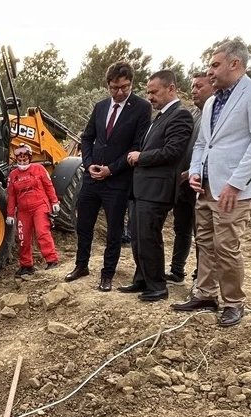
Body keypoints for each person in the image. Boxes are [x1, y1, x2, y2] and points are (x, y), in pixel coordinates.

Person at [175, 39, 251, 327]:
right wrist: (196, 172)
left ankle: (234, 301)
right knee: (205, 242)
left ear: (235, 64)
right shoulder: (211, 102)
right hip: (207, 186)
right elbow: (203, 144)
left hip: (235, 189)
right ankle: (206, 293)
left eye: (215, 64)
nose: (209, 71)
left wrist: (235, 183)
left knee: (226, 245)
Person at [65, 61, 152, 291]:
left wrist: (111, 169)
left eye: (125, 87)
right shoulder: (101, 106)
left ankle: (107, 274)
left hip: (117, 181)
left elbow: (137, 146)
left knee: (114, 231)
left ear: (131, 83)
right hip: (92, 179)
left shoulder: (142, 108)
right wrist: (89, 164)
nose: (120, 92)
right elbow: (87, 137)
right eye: (115, 88)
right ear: (108, 86)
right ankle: (81, 265)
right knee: (84, 225)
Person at [121, 70, 194, 302]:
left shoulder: (180, 116)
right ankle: (141, 279)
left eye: (154, 92)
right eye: (148, 92)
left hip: (157, 190)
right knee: (138, 236)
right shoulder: (161, 116)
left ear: (171, 88)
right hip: (142, 188)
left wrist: (140, 157)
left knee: (149, 236)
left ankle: (157, 286)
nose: (150, 97)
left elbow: (173, 152)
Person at [167, 72, 214, 284]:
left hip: (204, 184)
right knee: (181, 228)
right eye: (192, 86)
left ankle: (200, 276)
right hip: (183, 182)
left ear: (213, 87)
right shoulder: (192, 114)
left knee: (202, 233)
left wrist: (197, 171)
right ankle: (177, 271)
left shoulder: (217, 115)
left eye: (199, 86)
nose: (194, 90)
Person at [6, 143, 60, 276]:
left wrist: (54, 201)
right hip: (23, 210)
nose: (22, 162)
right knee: (23, 238)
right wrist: (10, 214)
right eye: (20, 160)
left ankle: (52, 260)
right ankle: (26, 265)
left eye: (24, 160)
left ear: (29, 158)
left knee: (42, 232)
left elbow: (49, 186)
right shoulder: (13, 175)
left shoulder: (39, 169)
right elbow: (12, 196)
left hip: (39, 206)